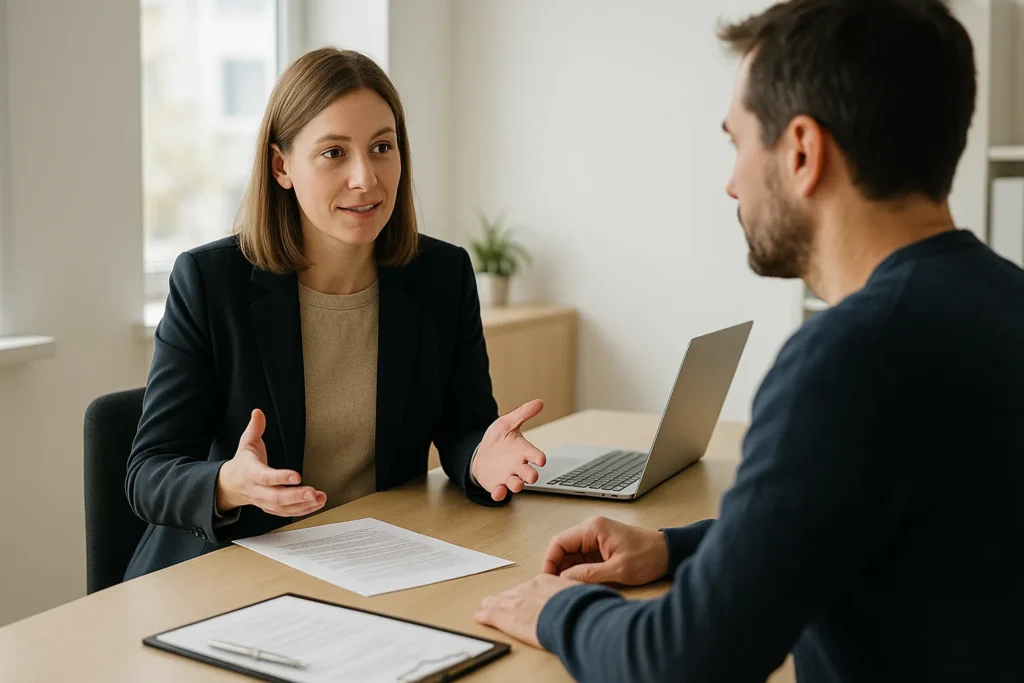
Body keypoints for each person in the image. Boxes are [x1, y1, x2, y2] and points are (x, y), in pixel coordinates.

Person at [474, 1, 1024, 680]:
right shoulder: (1002, 303)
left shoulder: (850, 357)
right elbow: (860, 524)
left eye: (737, 142)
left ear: (801, 151)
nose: (731, 181)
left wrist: (556, 608)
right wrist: (675, 550)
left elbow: (684, 660)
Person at [124, 48, 547, 580]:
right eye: (333, 153)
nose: (366, 178)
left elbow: (465, 426)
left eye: (381, 147)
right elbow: (149, 471)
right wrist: (229, 484)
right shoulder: (210, 283)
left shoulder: (442, 275)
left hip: (375, 559)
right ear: (282, 166)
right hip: (230, 567)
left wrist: (479, 461)